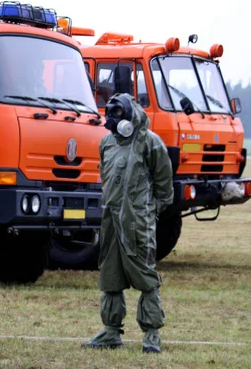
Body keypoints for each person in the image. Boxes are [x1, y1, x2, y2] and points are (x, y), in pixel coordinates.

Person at [82, 93, 174, 353]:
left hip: (137, 221)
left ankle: (151, 333)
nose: (114, 119)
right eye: (110, 114)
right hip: (111, 218)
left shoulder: (149, 142)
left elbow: (164, 183)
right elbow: (105, 175)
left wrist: (149, 210)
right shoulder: (107, 143)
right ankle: (111, 331)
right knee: (110, 274)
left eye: (118, 113)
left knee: (144, 274)